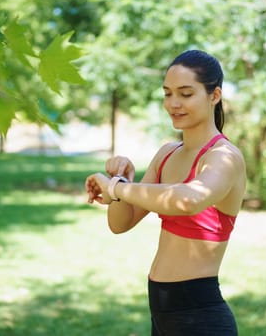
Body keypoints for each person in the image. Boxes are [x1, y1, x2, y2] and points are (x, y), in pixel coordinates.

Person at [85, 49, 246, 335]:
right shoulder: (166, 154)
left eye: (186, 94)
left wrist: (116, 188)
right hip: (161, 311)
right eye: (167, 93)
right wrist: (120, 180)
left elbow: (188, 199)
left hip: (200, 315)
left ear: (214, 95)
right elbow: (120, 223)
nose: (173, 104)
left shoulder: (223, 157)